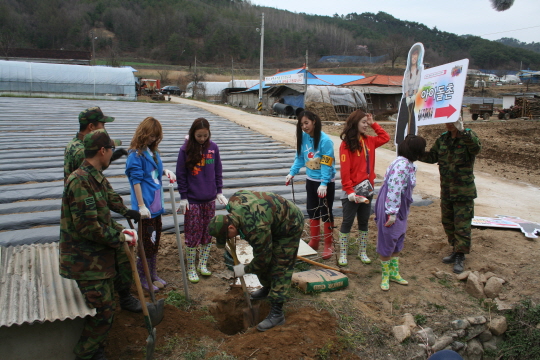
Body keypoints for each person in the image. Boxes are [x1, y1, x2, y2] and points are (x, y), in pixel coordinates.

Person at [59, 129, 141, 360]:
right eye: (112, 149)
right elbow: (88, 228)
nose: (113, 153)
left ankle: (97, 348)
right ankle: (87, 354)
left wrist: (127, 213)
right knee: (103, 311)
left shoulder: (95, 176)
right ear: (103, 151)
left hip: (96, 253)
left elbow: (110, 197)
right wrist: (120, 237)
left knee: (108, 305)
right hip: (83, 259)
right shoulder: (80, 181)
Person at [208, 190, 304, 332]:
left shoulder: (255, 228)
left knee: (280, 265)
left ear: (231, 227)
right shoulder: (233, 203)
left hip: (289, 224)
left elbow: (263, 260)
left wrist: (244, 269)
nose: (228, 240)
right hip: (271, 221)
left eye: (227, 236)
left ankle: (277, 313)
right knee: (260, 253)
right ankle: (267, 287)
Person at [419, 118, 481, 274]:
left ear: (458, 120)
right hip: (446, 190)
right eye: (446, 120)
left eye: (452, 120)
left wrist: (464, 132)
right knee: (448, 222)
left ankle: (461, 255)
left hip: (463, 191)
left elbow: (476, 149)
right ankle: (455, 249)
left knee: (462, 225)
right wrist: (413, 152)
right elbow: (432, 157)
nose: (448, 123)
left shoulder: (468, 136)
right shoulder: (443, 139)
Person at [125, 117, 176, 292]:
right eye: (150, 135)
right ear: (142, 133)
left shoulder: (152, 152)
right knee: (146, 244)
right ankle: (143, 277)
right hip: (146, 208)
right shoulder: (135, 155)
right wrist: (140, 206)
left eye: (156, 136)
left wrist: (165, 170)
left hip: (156, 207)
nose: (153, 139)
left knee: (154, 243)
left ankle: (152, 274)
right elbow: (136, 181)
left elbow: (154, 169)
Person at [176, 118, 227, 283]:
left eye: (205, 135)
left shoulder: (213, 148)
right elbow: (181, 174)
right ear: (193, 133)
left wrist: (219, 191)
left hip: (209, 199)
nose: (202, 139)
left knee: (207, 231)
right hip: (193, 200)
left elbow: (218, 169)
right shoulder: (185, 150)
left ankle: (202, 264)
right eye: (199, 136)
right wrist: (183, 197)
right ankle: (191, 267)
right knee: (192, 233)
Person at [374, 135, 426, 291]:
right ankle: (385, 276)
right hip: (392, 205)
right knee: (388, 238)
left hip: (400, 206)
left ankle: (394, 273)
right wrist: (392, 212)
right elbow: (394, 190)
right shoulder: (401, 165)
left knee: (398, 238)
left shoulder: (408, 164)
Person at [338, 110, 390, 266]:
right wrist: (350, 191)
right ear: (355, 123)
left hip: (367, 190)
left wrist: (374, 123)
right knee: (347, 221)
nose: (366, 125)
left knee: (364, 221)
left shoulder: (370, 141)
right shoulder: (346, 144)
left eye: (367, 123)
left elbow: (385, 137)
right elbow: (345, 170)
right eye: (363, 122)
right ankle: (343, 253)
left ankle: (362, 251)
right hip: (352, 191)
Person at [285, 111, 336, 259]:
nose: (304, 127)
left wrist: (324, 183)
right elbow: (300, 157)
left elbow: (327, 162)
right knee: (312, 210)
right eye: (301, 124)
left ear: (314, 121)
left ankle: (328, 244)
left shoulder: (325, 141)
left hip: (324, 183)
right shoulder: (304, 138)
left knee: (325, 212)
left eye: (306, 123)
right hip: (311, 180)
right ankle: (314, 240)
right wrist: (292, 172)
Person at [64, 107, 126, 183]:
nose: (104, 129)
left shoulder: (73, 143)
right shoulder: (83, 151)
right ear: (91, 127)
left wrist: (111, 157)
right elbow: (92, 175)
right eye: (102, 125)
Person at [395, 43, 424, 145]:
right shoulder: (407, 71)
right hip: (406, 97)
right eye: (412, 55)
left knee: (412, 121)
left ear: (418, 57)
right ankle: (399, 142)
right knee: (401, 121)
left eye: (416, 55)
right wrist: (407, 97)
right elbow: (406, 84)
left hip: (414, 97)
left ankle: (411, 141)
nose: (414, 58)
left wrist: (414, 96)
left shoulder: (419, 70)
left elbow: (417, 83)